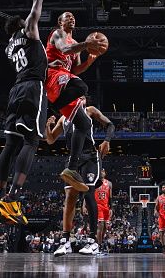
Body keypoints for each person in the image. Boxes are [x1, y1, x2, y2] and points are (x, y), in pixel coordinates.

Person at [0, 0, 49, 226]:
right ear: (22, 24)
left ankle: (0, 195)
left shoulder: (8, 48)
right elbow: (37, 3)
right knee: (32, 141)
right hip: (32, 88)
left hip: (14, 90)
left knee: (10, 145)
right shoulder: (28, 31)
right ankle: (14, 197)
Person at [45, 12, 106, 191]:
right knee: (82, 88)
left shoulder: (75, 43)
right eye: (68, 16)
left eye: (73, 17)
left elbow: (75, 70)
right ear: (60, 21)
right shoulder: (58, 34)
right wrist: (87, 44)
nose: (72, 18)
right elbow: (64, 49)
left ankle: (71, 168)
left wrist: (89, 61)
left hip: (64, 82)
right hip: (53, 76)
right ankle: (53, 106)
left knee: (84, 124)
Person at [46, 102, 115, 257]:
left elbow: (110, 125)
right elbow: (50, 140)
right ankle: (65, 241)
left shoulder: (89, 111)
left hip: (90, 157)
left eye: (82, 97)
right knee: (70, 198)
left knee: (88, 194)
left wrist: (107, 140)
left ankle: (93, 242)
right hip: (73, 159)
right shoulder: (63, 118)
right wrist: (47, 126)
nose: (80, 99)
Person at [95, 169, 112, 250]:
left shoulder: (109, 183)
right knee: (100, 225)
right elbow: (89, 193)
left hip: (106, 206)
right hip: (98, 206)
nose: (102, 172)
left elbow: (110, 197)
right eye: (100, 171)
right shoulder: (95, 182)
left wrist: (111, 208)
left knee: (105, 226)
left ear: (105, 173)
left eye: (103, 171)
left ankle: (100, 241)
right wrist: (84, 205)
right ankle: (99, 245)